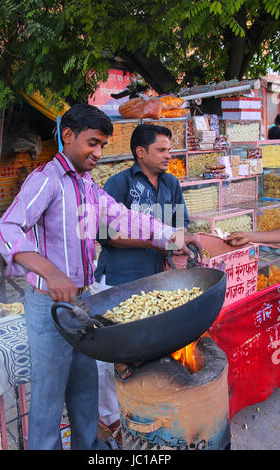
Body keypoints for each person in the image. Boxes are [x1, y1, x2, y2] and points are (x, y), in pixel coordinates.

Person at [0, 104, 194, 450]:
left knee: (85, 387)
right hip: (48, 307)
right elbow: (5, 230)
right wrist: (51, 273)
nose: (98, 153)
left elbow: (124, 219)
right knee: (49, 396)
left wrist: (177, 237)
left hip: (83, 304)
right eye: (93, 143)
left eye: (102, 145)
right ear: (67, 136)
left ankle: (89, 447)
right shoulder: (46, 180)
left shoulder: (87, 185)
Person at [91, 123, 200, 434]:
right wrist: (159, 241)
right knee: (111, 353)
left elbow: (181, 226)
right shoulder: (119, 183)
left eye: (169, 149)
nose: (169, 155)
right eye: (161, 150)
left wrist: (185, 243)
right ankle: (109, 419)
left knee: (144, 349)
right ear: (141, 152)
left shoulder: (171, 184)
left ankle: (140, 412)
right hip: (118, 282)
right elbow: (106, 235)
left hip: (157, 282)